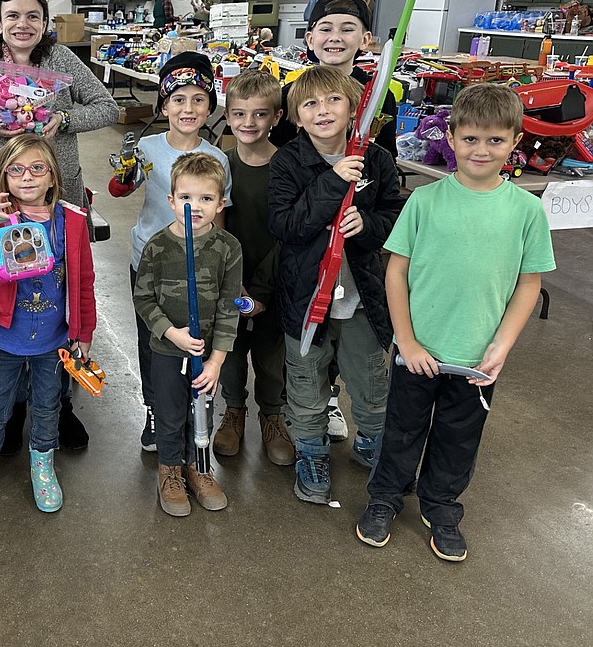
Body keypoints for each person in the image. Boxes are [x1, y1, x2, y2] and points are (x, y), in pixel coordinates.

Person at [355, 84, 555, 562]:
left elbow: (529, 283)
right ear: (450, 137)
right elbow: (396, 270)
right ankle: (384, 497)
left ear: (514, 142)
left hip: (477, 358)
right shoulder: (424, 201)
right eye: (469, 139)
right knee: (401, 430)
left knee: (459, 437)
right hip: (417, 351)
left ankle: (441, 505)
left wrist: (502, 345)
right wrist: (406, 340)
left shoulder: (526, 210)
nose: (480, 150)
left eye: (494, 141)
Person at [0, 0, 116, 450]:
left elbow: (105, 105)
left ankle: (58, 402)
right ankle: (15, 405)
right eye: (13, 17)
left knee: (62, 295)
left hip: (58, 199)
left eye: (33, 17)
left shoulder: (61, 61)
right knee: (12, 298)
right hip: (6, 202)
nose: (23, 25)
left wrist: (65, 120)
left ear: (44, 23)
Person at [268, 66, 401, 506]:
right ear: (296, 117)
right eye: (310, 105)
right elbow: (286, 226)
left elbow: (395, 217)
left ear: (353, 108)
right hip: (306, 302)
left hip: (361, 300)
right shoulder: (288, 161)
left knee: (370, 380)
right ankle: (311, 451)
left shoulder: (378, 160)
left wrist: (369, 225)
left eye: (333, 101)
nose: (322, 111)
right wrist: (332, 180)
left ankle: (372, 442)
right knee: (307, 382)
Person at [0, 136, 96, 517]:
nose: (27, 177)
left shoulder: (73, 222)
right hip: (5, 337)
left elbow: (84, 282)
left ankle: (42, 467)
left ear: (52, 176)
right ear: (3, 176)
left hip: (55, 338)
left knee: (48, 406)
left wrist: (85, 333)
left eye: (37, 168)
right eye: (16, 169)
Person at [107, 52, 231, 452]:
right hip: (149, 261)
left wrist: (222, 261)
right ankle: (155, 408)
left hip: (201, 265)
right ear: (164, 105)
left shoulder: (218, 159)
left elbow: (222, 218)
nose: (188, 108)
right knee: (152, 339)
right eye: (178, 99)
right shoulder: (144, 147)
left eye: (198, 99)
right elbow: (118, 190)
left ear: (210, 105)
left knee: (198, 338)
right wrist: (124, 174)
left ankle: (194, 401)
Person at [133, 152, 242, 517]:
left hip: (207, 357)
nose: (195, 207)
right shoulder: (158, 247)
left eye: (206, 199)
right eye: (186, 198)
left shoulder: (228, 248)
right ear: (171, 200)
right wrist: (170, 333)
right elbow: (143, 297)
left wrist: (216, 360)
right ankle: (169, 470)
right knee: (169, 413)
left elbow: (230, 306)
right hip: (167, 352)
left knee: (203, 413)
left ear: (220, 202)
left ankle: (199, 467)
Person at [212, 69, 293, 467]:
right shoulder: (219, 166)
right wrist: (233, 283)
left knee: (270, 353)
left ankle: (272, 415)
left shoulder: (288, 168)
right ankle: (233, 411)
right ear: (227, 116)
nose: (248, 123)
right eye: (239, 114)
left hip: (274, 282)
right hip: (230, 279)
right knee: (229, 349)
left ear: (277, 118)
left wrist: (259, 291)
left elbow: (290, 235)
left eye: (259, 114)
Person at [271, 0, 398, 158]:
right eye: (325, 29)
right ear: (310, 39)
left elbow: (387, 158)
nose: (335, 38)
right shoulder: (291, 94)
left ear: (365, 39)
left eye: (347, 30)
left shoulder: (379, 95)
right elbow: (279, 154)